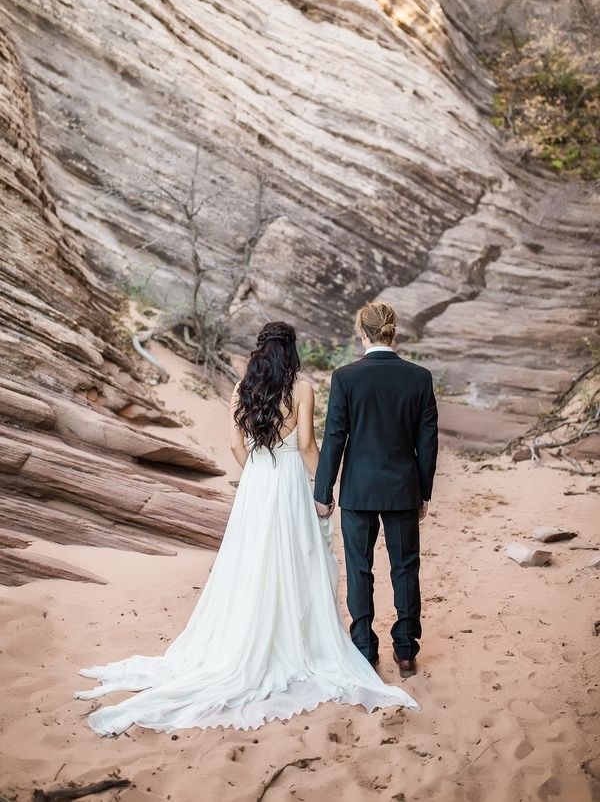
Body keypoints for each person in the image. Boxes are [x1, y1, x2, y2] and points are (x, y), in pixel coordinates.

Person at [75, 321, 419, 734]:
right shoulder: (302, 389)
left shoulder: (242, 389)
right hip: (291, 483)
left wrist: (258, 472)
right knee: (298, 559)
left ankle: (250, 634)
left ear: (260, 350)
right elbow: (309, 445)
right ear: (292, 351)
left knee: (250, 560)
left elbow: (237, 446)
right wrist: (321, 489)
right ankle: (303, 637)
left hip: (257, 485)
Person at [314, 302, 438, 677]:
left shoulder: (346, 377)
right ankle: (405, 651)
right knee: (405, 568)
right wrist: (424, 491)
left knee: (359, 569)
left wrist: (323, 489)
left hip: (359, 489)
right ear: (393, 332)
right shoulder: (419, 377)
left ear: (362, 333)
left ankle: (365, 649)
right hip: (402, 488)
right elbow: (428, 440)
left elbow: (335, 435)